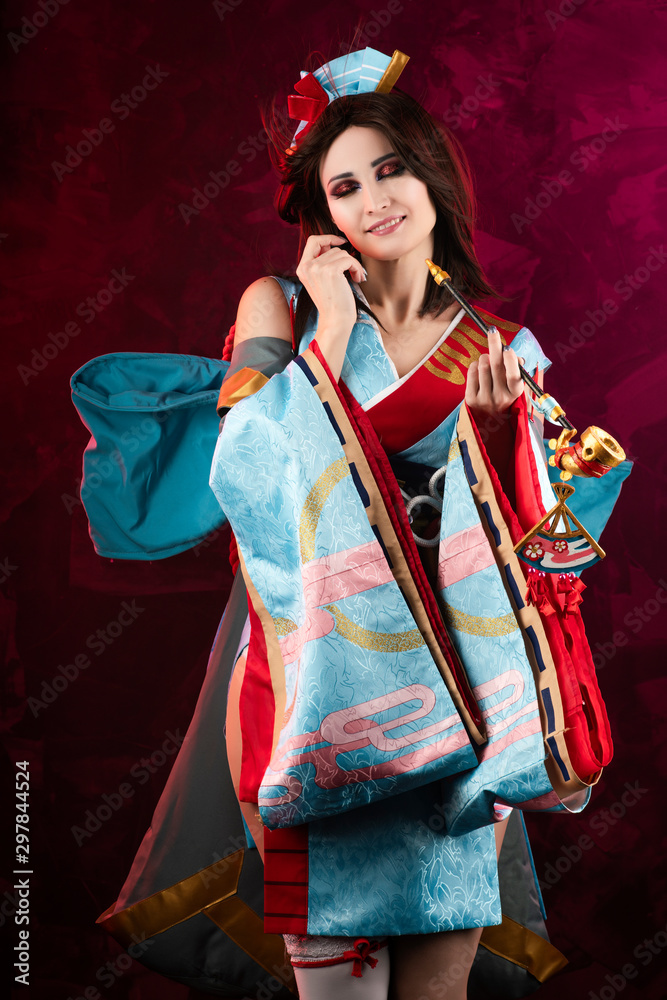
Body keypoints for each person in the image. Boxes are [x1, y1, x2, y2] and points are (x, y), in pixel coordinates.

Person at [76, 45, 623, 1000]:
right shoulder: (279, 307)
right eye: (344, 185)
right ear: (318, 213)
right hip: (314, 679)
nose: (374, 197)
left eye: (391, 168)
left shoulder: (498, 347)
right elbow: (250, 481)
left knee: (436, 993)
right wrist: (327, 331)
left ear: (432, 174)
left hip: (458, 695)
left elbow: (541, 548)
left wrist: (498, 438)